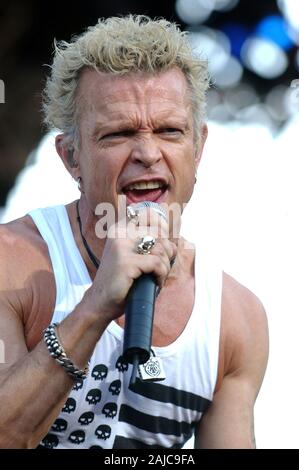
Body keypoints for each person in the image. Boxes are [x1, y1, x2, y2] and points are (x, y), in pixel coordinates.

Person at [0, 15, 268, 449]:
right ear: (71, 157)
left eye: (169, 131)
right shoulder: (10, 262)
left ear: (198, 148)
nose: (147, 153)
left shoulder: (235, 319)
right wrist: (94, 307)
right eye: (119, 133)